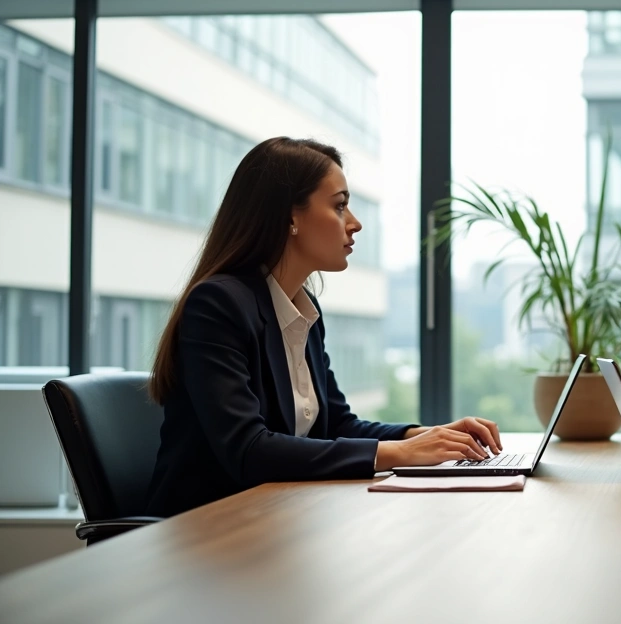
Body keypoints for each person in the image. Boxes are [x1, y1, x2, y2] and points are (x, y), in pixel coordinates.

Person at [145, 136, 501, 517]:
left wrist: (427, 436)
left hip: (278, 519)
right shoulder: (218, 304)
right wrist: (401, 453)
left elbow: (336, 424)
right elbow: (249, 449)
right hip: (205, 532)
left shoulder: (303, 309)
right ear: (290, 217)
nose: (355, 223)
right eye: (340, 206)